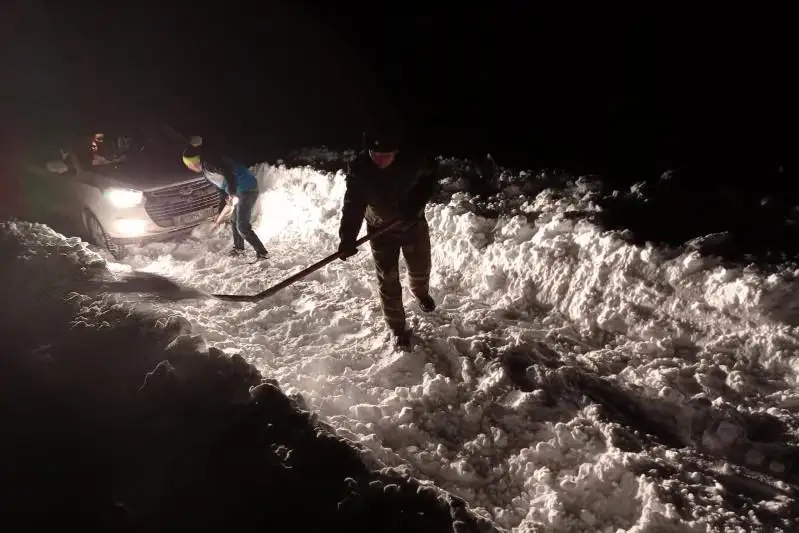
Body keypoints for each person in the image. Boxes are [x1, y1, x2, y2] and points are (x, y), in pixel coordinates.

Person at [337, 124, 439, 350]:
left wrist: (414, 203)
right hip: (380, 231)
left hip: (413, 224)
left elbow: (429, 178)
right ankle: (397, 328)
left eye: (386, 156)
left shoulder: (414, 159)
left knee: (421, 266)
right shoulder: (361, 169)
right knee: (388, 279)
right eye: (375, 155)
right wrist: (347, 238)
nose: (379, 161)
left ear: (397, 152)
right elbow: (353, 204)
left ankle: (421, 293)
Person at [182, 136, 268, 259]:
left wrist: (232, 193)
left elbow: (228, 172)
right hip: (239, 189)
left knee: (242, 226)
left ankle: (262, 253)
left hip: (247, 188)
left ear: (192, 162)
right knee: (234, 221)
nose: (188, 167)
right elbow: (221, 190)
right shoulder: (206, 171)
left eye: (188, 164)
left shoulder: (209, 164)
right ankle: (239, 249)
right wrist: (220, 210)